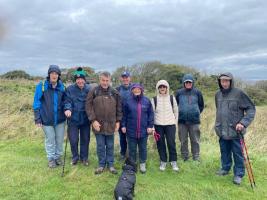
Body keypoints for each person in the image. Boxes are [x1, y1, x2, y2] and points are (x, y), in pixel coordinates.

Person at [215, 72, 256, 185]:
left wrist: (243, 123)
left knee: (238, 153)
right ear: (220, 81)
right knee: (224, 152)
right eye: (222, 80)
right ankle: (225, 168)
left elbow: (251, 109)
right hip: (222, 130)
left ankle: (238, 174)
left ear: (231, 81)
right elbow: (218, 110)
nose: (225, 83)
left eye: (227, 80)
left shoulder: (239, 93)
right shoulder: (217, 94)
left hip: (235, 131)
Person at [86, 71, 122, 174]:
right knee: (100, 145)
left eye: (107, 80)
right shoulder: (94, 91)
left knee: (110, 145)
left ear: (110, 80)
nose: (105, 82)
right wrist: (93, 121)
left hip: (111, 124)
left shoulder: (115, 92)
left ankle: (110, 165)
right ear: (99, 80)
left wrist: (118, 121)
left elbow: (119, 108)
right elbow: (88, 107)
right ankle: (101, 164)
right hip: (98, 125)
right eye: (103, 80)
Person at [33, 65, 65, 168]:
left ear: (59, 75)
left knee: (59, 140)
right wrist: (37, 118)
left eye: (56, 74)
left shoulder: (62, 87)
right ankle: (51, 159)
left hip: (60, 120)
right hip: (46, 119)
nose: (54, 75)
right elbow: (36, 102)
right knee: (50, 139)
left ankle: (58, 157)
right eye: (52, 73)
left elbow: (65, 101)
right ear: (49, 74)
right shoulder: (42, 86)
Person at [121, 83, 154, 173]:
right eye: (134, 89)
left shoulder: (146, 101)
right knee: (132, 149)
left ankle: (142, 163)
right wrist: (123, 125)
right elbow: (124, 115)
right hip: (131, 130)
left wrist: (150, 126)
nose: (136, 90)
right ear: (132, 90)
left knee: (143, 148)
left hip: (144, 130)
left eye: (138, 89)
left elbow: (151, 114)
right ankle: (133, 164)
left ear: (141, 90)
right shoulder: (128, 101)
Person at [64, 67, 91, 166]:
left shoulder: (89, 89)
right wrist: (67, 109)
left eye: (82, 79)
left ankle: (84, 158)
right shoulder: (70, 89)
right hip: (73, 120)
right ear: (76, 80)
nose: (80, 81)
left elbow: (92, 103)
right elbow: (67, 101)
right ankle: (75, 157)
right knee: (74, 139)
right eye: (78, 79)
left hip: (85, 120)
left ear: (84, 80)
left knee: (85, 140)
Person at [175, 74, 204, 161]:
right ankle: (185, 156)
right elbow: (175, 105)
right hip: (181, 121)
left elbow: (201, 105)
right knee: (183, 140)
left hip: (194, 121)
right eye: (186, 82)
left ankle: (196, 156)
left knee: (195, 140)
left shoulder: (197, 92)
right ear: (184, 83)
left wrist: (195, 113)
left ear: (192, 83)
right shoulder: (179, 93)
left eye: (190, 82)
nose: (188, 83)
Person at [152, 80, 179, 171]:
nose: (162, 88)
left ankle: (173, 161)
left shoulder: (172, 98)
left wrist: (175, 122)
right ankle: (163, 161)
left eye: (164, 87)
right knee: (160, 143)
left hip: (170, 125)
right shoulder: (154, 99)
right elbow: (152, 113)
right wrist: (152, 127)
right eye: (160, 87)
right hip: (158, 125)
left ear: (167, 88)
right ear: (158, 88)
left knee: (171, 143)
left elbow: (176, 111)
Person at [116, 71, 132, 160]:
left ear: (130, 78)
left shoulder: (134, 88)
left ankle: (131, 153)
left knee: (131, 137)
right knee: (122, 137)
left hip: (131, 117)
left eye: (127, 77)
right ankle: (123, 153)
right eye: (124, 77)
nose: (125, 79)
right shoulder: (117, 89)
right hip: (121, 116)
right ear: (122, 79)